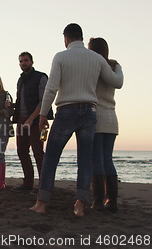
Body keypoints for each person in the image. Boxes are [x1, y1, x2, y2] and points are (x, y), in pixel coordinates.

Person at [30, 23, 123, 216]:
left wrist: (42, 115)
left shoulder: (61, 56)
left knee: (51, 159)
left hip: (66, 111)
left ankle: (41, 204)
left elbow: (51, 88)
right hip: (90, 112)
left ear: (66, 38)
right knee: (85, 161)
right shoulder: (96, 58)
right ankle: (79, 206)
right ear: (82, 37)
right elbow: (115, 81)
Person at [11, 52, 53, 195]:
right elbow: (21, 101)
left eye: (26, 60)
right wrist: (11, 106)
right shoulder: (20, 80)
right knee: (22, 151)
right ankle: (28, 183)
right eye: (21, 61)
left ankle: (43, 185)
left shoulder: (41, 77)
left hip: (36, 121)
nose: (24, 63)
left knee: (38, 152)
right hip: (22, 121)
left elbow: (44, 101)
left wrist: (31, 118)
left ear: (32, 62)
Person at [88, 37, 123, 213]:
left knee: (97, 159)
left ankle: (98, 202)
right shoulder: (115, 66)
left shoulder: (92, 67)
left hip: (96, 116)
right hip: (112, 117)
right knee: (107, 158)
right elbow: (119, 83)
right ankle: (112, 202)